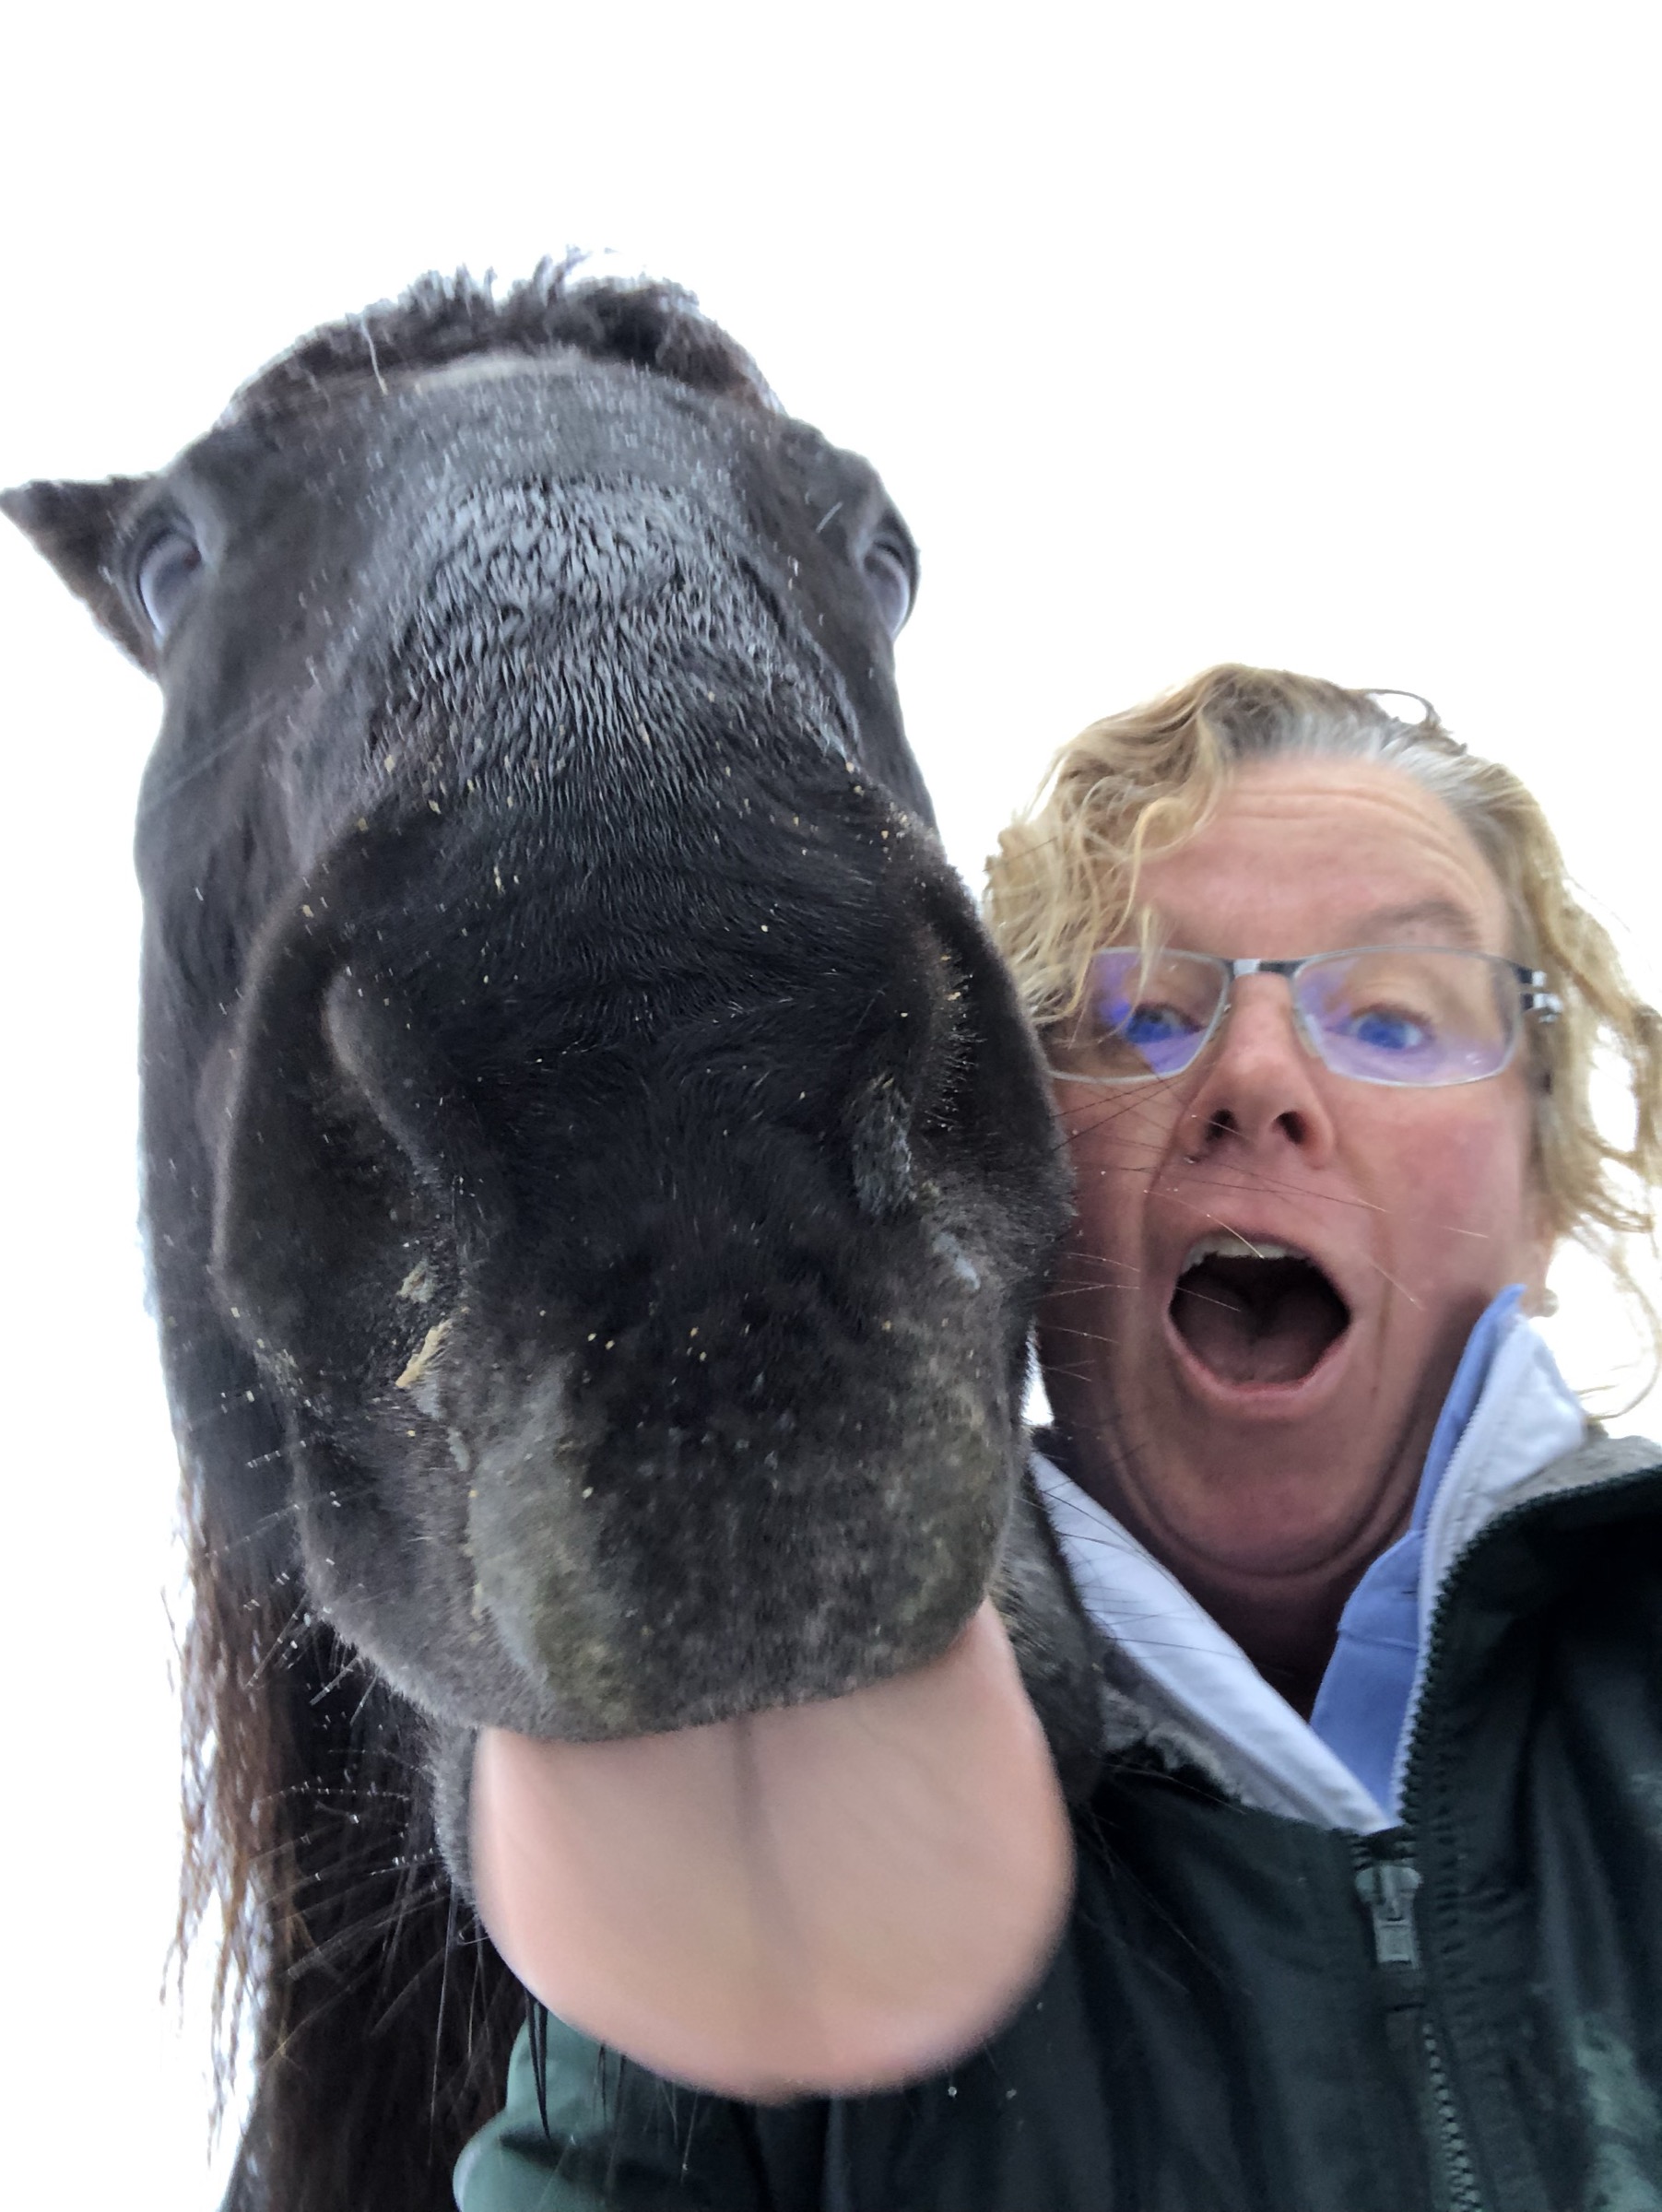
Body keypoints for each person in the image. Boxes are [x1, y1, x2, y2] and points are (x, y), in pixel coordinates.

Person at [456, 666, 1662, 2210]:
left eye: (1395, 1016)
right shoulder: (769, 1802)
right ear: (1014, 1185)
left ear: (1540, 1195)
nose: (1258, 1081)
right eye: (1140, 1013)